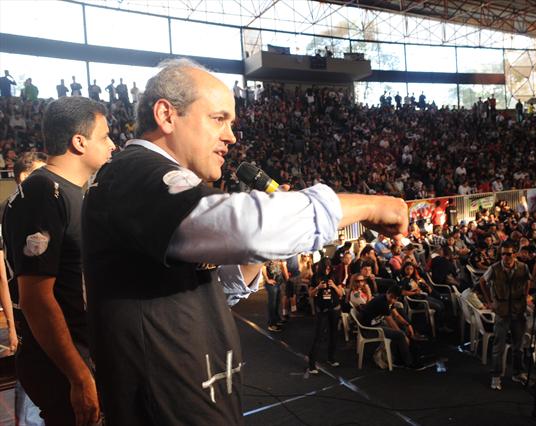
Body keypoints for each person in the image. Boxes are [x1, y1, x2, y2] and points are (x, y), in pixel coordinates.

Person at [81, 58, 408, 425]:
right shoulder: (135, 172)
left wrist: (253, 255)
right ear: (167, 115)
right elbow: (247, 226)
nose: (231, 136)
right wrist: (370, 205)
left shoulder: (145, 185)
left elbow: (206, 291)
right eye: (218, 119)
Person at [3, 96, 115, 425]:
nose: (112, 144)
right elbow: (37, 299)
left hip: (85, 355)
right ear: (79, 142)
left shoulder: (72, 192)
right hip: (65, 366)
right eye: (105, 136)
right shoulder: (42, 193)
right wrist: (79, 376)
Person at [3, 152, 47, 426]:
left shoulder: (48, 209)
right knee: (32, 393)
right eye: (41, 175)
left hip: (52, 312)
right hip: (27, 314)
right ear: (23, 178)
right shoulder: (8, 211)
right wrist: (11, 324)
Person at [479, 242, 533, 391]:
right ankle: (496, 376)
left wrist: (525, 296)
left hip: (518, 309)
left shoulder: (523, 267)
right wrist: (489, 301)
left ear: (514, 254)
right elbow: (482, 282)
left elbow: (528, 281)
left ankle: (518, 372)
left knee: (519, 345)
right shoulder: (495, 268)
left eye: (509, 254)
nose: (506, 257)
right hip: (501, 311)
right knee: (499, 346)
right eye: (503, 253)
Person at [307, 275, 343, 374]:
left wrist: (334, 286)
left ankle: (331, 358)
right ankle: (312, 364)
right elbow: (310, 294)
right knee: (319, 336)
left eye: (329, 268)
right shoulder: (315, 277)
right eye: (325, 267)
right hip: (322, 310)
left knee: (334, 334)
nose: (327, 270)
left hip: (334, 309)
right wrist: (318, 287)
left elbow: (340, 293)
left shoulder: (335, 277)